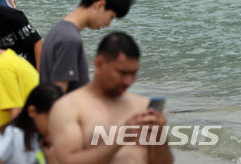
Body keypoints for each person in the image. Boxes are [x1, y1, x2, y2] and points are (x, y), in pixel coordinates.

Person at [48, 32, 173, 164]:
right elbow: (67, 161)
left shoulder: (142, 106)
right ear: (99, 64)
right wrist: (119, 139)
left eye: (133, 73)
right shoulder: (69, 107)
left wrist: (160, 135)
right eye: (123, 73)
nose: (128, 81)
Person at [40, 0, 133, 93]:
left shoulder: (59, 30)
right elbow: (58, 95)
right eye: (111, 17)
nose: (108, 24)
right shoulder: (70, 39)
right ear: (100, 5)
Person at [0, 84, 63, 164]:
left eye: (58, 120)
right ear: (32, 111)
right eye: (49, 119)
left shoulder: (57, 139)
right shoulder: (14, 134)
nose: (53, 125)